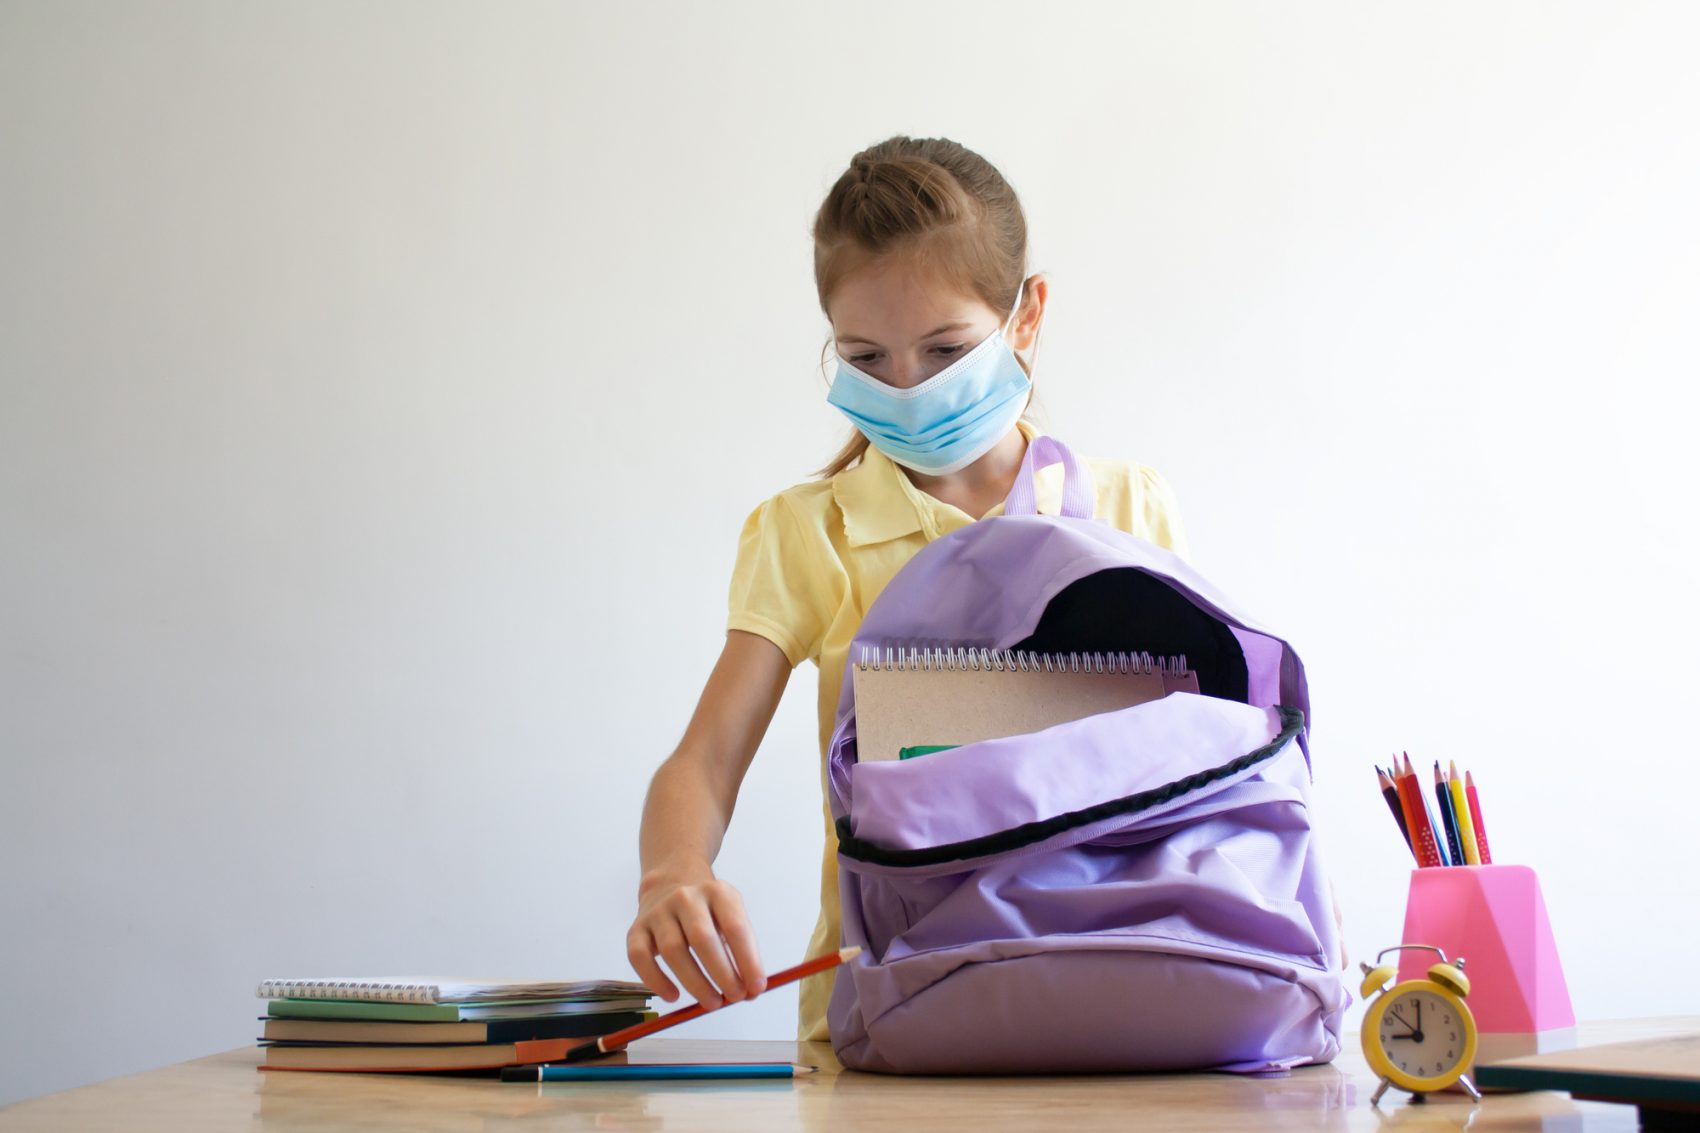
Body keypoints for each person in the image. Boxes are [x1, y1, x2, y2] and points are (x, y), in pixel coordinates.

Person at [625, 135, 1190, 1042]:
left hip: (1120, 1012)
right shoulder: (810, 532)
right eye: (868, 358)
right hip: (889, 1033)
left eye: (943, 349)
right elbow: (703, 759)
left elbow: (1200, 764)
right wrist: (673, 871)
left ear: (1027, 315)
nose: (909, 387)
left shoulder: (1129, 508)